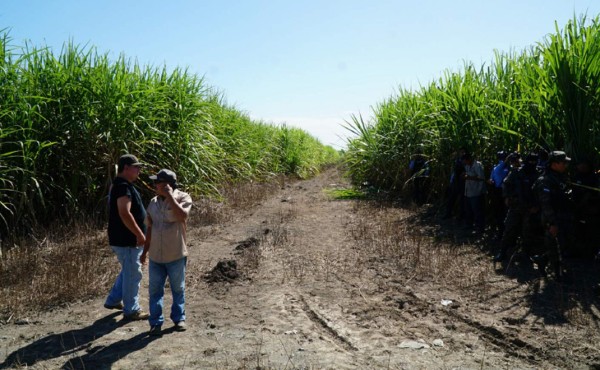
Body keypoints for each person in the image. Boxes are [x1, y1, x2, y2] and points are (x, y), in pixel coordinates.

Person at [141, 169, 193, 335]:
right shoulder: (153, 202)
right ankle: (155, 323)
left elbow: (182, 216)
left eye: (157, 182)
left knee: (178, 288)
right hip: (156, 256)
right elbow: (149, 228)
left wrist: (170, 196)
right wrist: (144, 252)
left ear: (166, 184)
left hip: (175, 254)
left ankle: (179, 319)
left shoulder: (183, 197)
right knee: (155, 290)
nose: (154, 185)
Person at [104, 154, 149, 320]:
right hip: (127, 240)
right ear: (126, 168)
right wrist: (139, 234)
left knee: (128, 270)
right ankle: (132, 310)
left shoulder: (121, 185)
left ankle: (114, 299)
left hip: (124, 239)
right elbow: (124, 212)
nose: (139, 170)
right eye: (136, 167)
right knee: (133, 273)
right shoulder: (123, 187)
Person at [532, 151, 575, 279]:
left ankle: (542, 260)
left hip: (563, 216)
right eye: (563, 163)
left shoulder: (559, 177)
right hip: (552, 218)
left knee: (561, 244)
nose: (565, 165)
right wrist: (552, 223)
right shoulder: (545, 180)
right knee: (556, 247)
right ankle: (558, 275)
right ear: (554, 164)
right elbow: (546, 204)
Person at [494, 153, 541, 263]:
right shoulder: (517, 172)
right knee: (509, 229)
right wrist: (506, 197)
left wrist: (537, 206)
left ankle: (526, 254)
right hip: (516, 207)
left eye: (535, 162)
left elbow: (540, 192)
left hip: (530, 209)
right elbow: (506, 183)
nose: (532, 164)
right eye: (531, 162)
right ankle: (502, 252)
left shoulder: (537, 174)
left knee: (528, 232)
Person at [487, 151, 511, 239]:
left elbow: (490, 179)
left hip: (499, 192)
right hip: (501, 192)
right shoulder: (500, 167)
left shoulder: (497, 168)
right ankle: (502, 232)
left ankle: (501, 232)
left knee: (501, 212)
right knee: (503, 212)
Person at [462, 152, 486, 233]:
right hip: (468, 192)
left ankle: (480, 227)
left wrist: (469, 177)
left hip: (476, 192)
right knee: (468, 210)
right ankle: (469, 225)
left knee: (477, 211)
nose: (464, 163)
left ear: (468, 159)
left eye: (465, 161)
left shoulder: (477, 165)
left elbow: (481, 178)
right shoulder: (467, 166)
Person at [443, 148, 467, 219]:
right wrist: (451, 181)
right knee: (451, 199)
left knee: (462, 201)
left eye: (463, 152)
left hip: (463, 183)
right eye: (461, 152)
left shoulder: (465, 161)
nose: (462, 153)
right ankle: (448, 214)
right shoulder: (457, 161)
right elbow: (454, 173)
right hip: (455, 182)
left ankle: (461, 216)